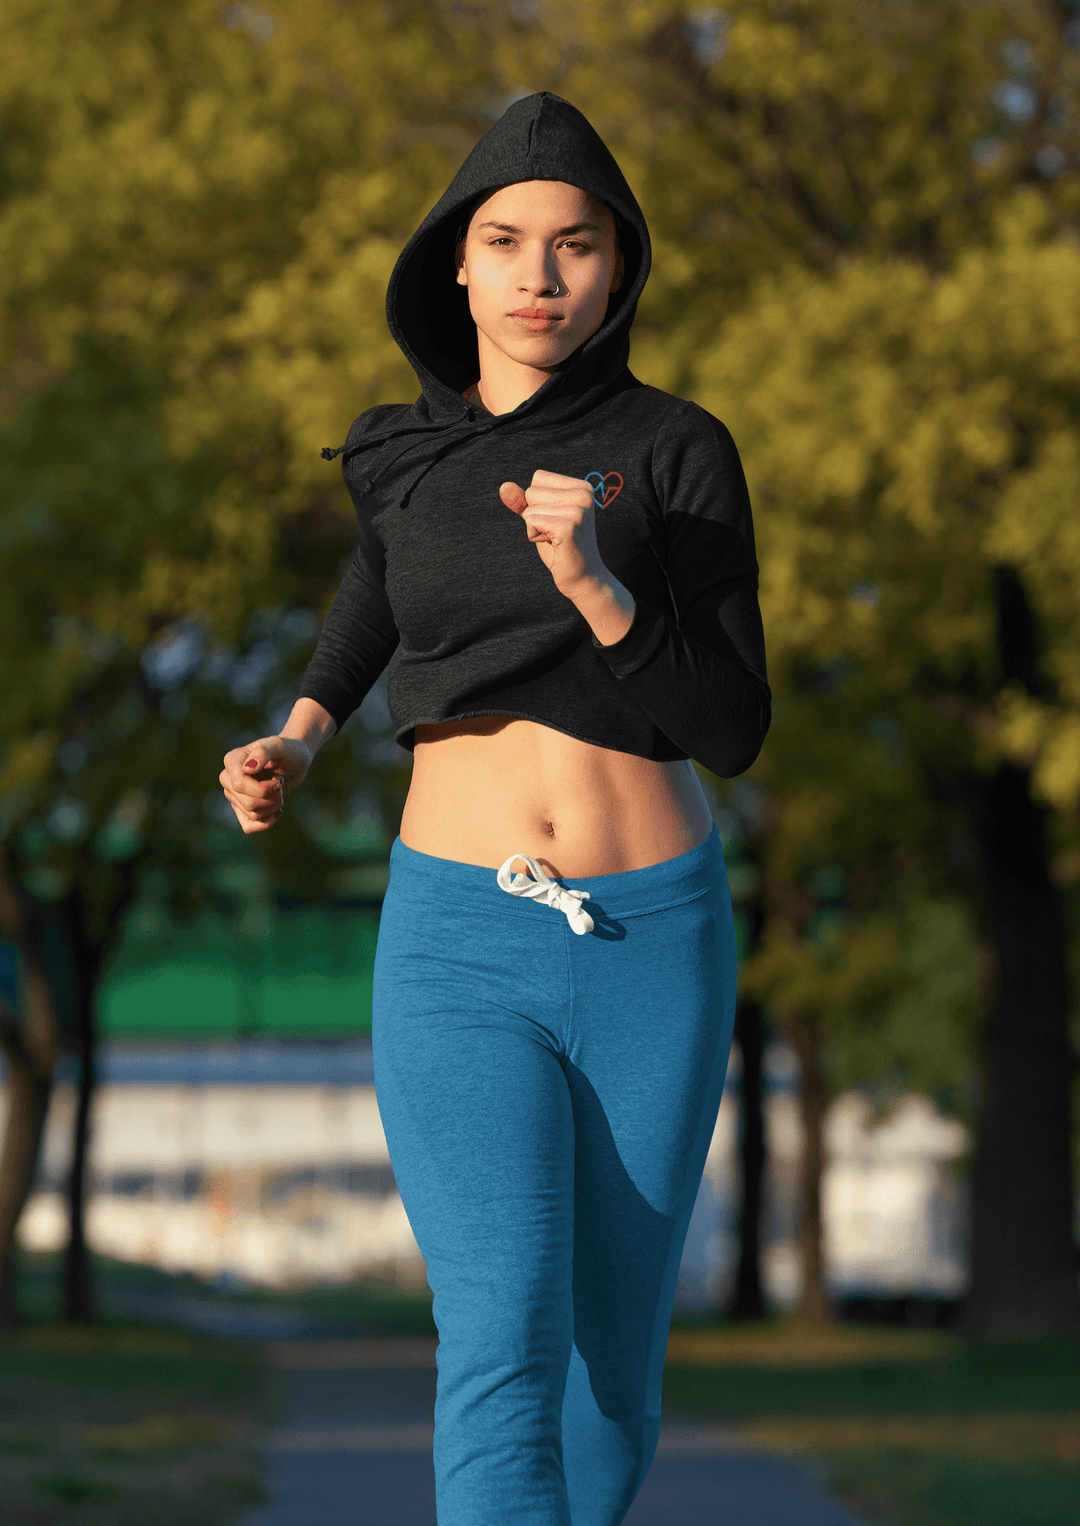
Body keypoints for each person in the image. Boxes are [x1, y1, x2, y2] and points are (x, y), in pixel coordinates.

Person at [219, 92, 769, 1526]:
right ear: (454, 268)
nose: (539, 275)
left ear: (619, 268)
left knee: (606, 1388)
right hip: (460, 936)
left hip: (655, 940)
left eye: (576, 245)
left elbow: (735, 725)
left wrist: (598, 586)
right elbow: (370, 605)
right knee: (502, 1337)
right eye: (507, 241)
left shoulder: (679, 451)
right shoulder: (398, 457)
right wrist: (295, 734)